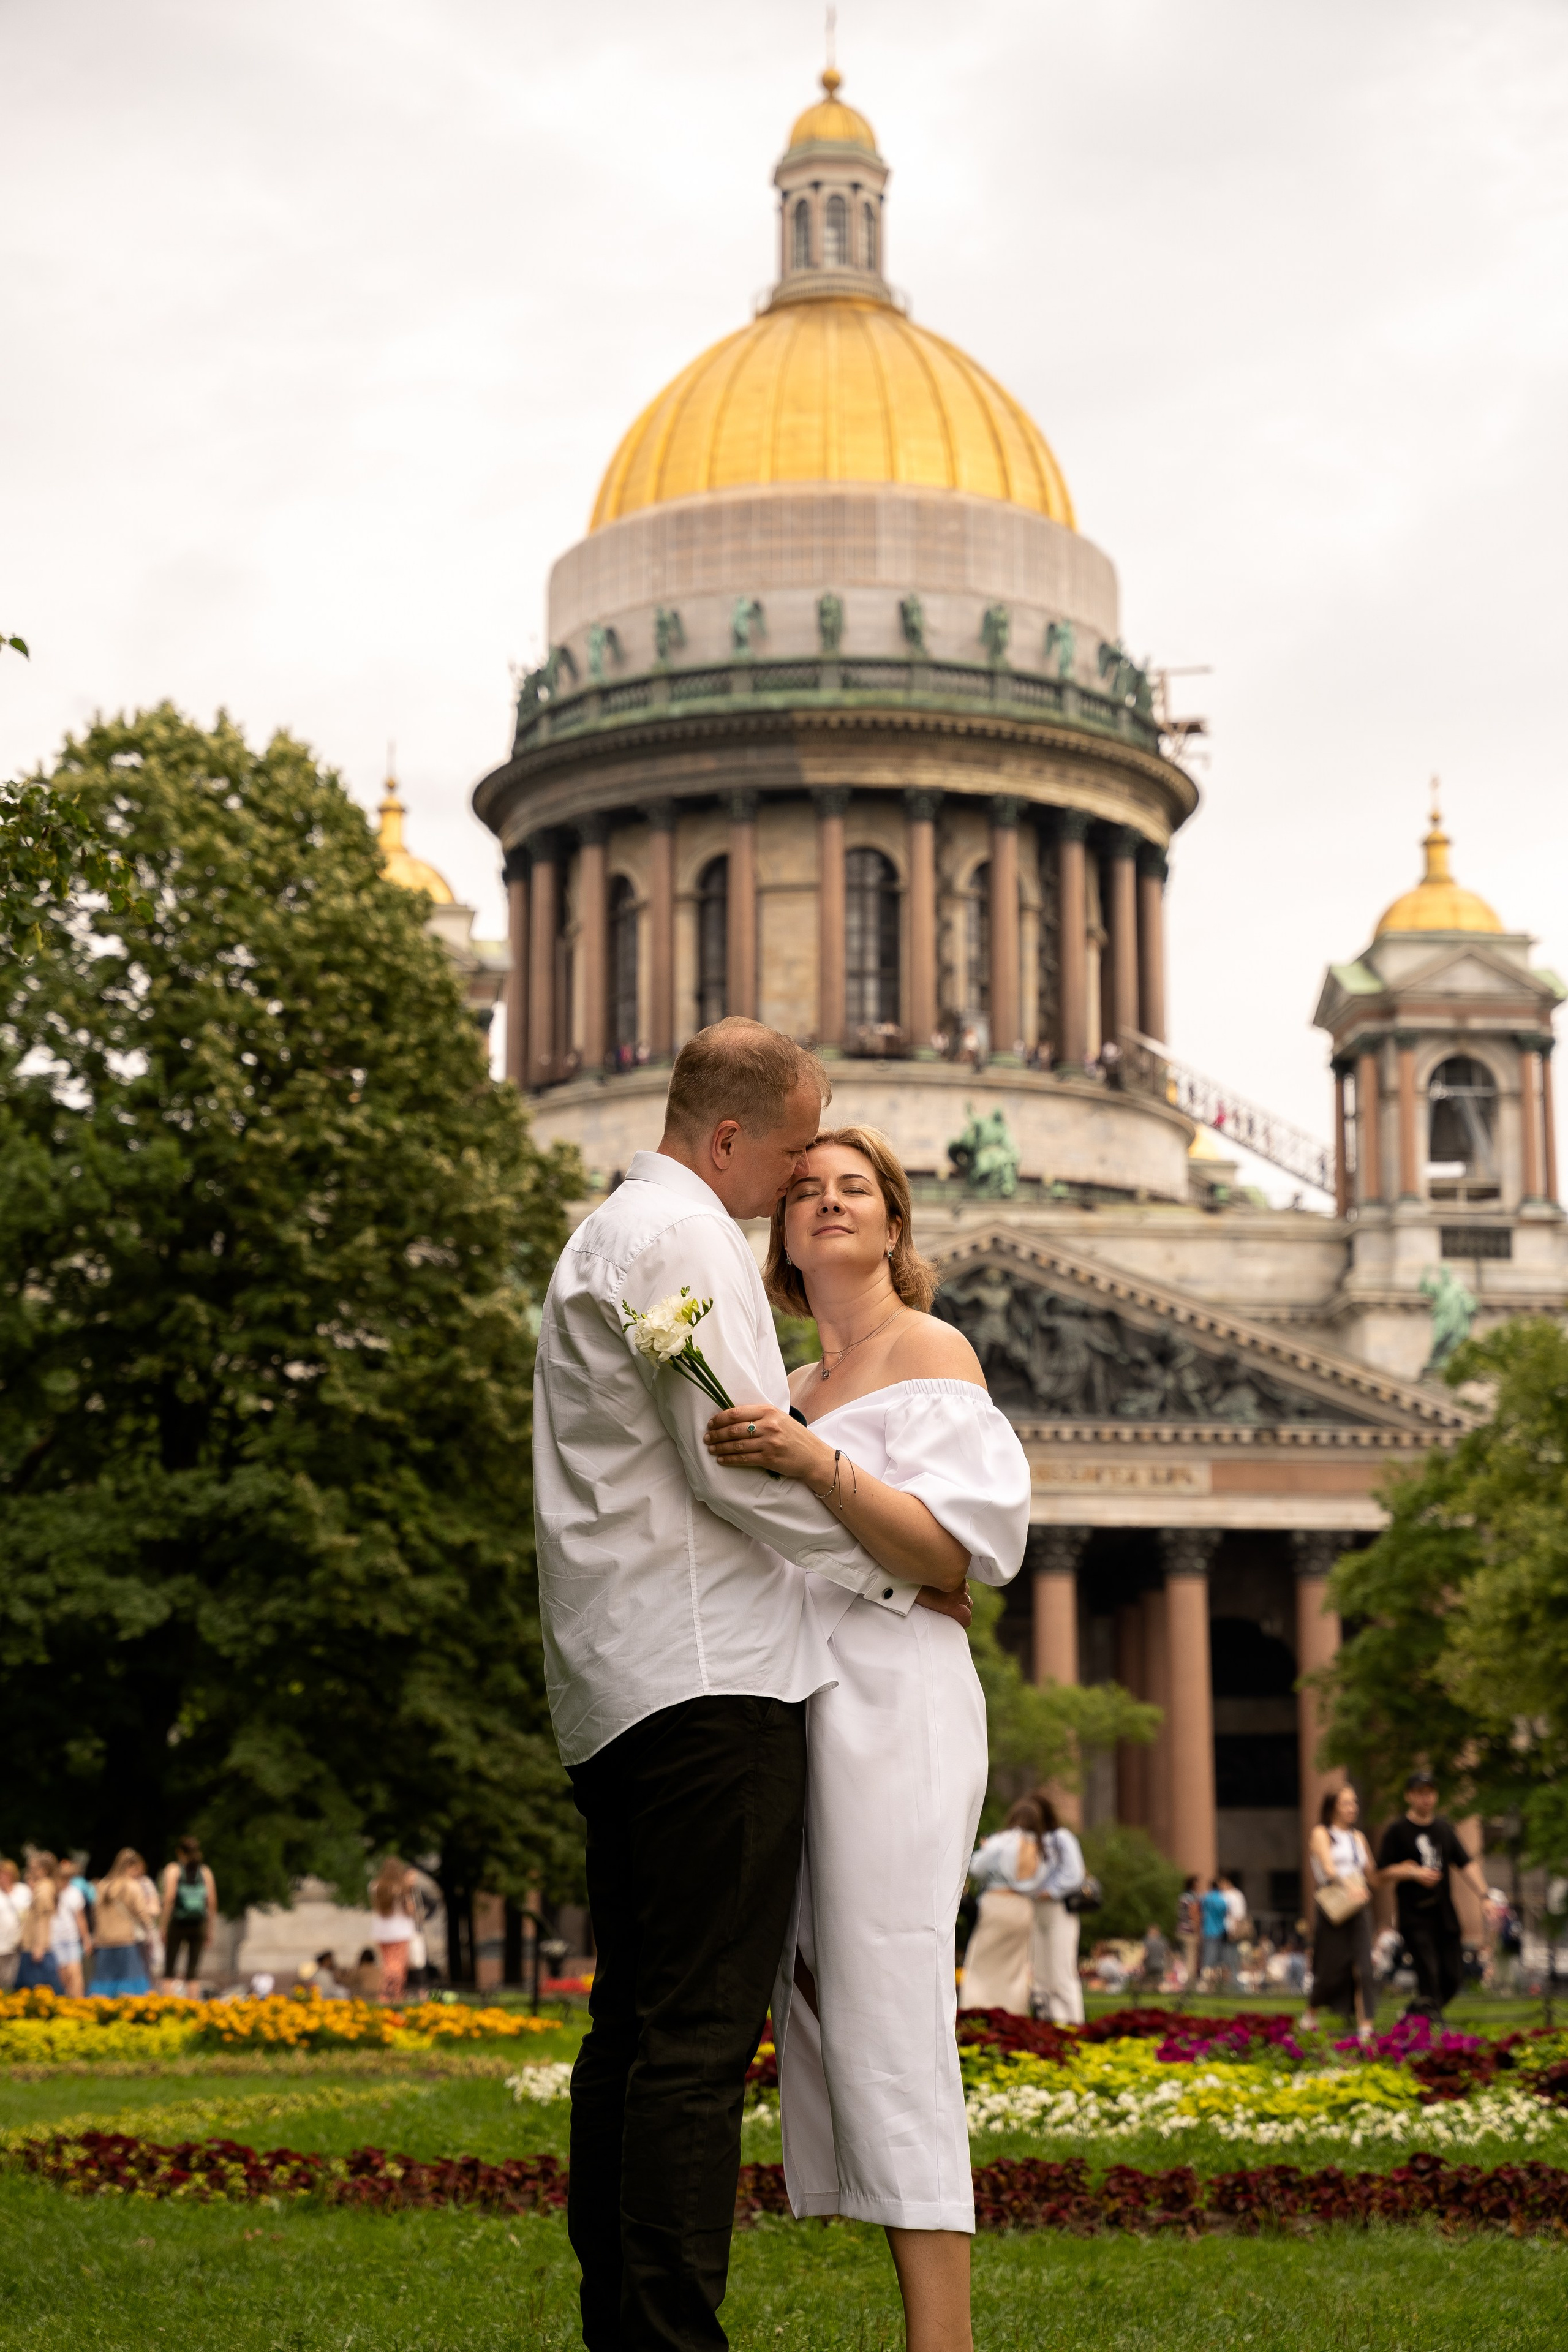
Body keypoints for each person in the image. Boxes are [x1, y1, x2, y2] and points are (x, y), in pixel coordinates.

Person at [533, 1023, 972, 2352]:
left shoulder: (602, 1234)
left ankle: (627, 2320)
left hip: (621, 1677)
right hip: (709, 1682)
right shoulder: (681, 1247)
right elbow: (739, 1465)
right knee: (692, 2041)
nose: (795, 1193)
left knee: (635, 2027)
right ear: (728, 1141)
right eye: (790, 1163)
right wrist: (903, 1578)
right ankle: (666, 2336)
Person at [704, 1121, 1028, 2352]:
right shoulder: (785, 1387)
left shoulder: (928, 1350)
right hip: (797, 1697)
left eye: (855, 1188)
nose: (828, 1203)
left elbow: (955, 1556)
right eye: (804, 1191)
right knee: (819, 1995)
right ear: (782, 1236)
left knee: (887, 2001)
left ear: (893, 1224)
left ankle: (938, 2344)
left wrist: (818, 1470)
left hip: (893, 1701)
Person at [1376, 1770, 1491, 2018]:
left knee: (1453, 1976)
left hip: (1444, 1914)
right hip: (1414, 1915)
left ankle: (1415, 2014)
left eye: (1430, 1793)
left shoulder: (1444, 1829)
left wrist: (1484, 1896)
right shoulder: (1398, 1830)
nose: (1426, 1799)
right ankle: (1435, 2033)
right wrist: (1412, 1873)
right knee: (1428, 1973)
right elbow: (1380, 1873)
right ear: (1409, 1796)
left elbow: (1466, 1863)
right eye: (1420, 1793)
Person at [1300, 1787, 1378, 2041]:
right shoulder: (1322, 1834)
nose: (1352, 1808)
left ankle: (1366, 2027)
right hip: (1333, 1906)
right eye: (1346, 1803)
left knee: (1365, 1968)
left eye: (1354, 1802)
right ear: (1333, 1807)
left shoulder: (1359, 1838)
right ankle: (1310, 2014)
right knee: (1330, 1968)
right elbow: (1328, 1869)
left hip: (1358, 1908)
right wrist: (1350, 1887)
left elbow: (1372, 1874)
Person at [962, 1800, 1043, 2015]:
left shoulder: (1003, 1841)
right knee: (1015, 1968)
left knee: (982, 1963)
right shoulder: (1040, 1848)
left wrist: (986, 1849)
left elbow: (976, 1868)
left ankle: (976, 2012)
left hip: (997, 1903)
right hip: (1024, 1907)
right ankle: (1013, 2016)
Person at [1023, 1792, 1086, 2025]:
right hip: (1036, 1910)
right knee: (1039, 1971)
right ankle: (1045, 2019)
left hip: (1058, 1909)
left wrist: (1050, 1890)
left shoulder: (1061, 1838)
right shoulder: (1030, 1841)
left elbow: (1074, 1873)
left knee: (1061, 1969)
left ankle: (1070, 2022)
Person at [91, 1850, 156, 1997]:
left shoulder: (103, 1885)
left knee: (103, 1989)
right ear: (131, 1867)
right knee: (131, 1990)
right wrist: (151, 1929)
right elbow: (142, 1914)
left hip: (104, 1943)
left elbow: (96, 1915)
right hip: (126, 1943)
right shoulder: (132, 1886)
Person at [160, 1837, 217, 1994]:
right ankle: (193, 2009)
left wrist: (163, 1926)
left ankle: (168, 2009)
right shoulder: (205, 1872)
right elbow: (211, 1902)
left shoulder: (174, 1870)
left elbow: (170, 1898)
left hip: (178, 1922)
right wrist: (210, 1929)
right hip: (198, 1923)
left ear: (179, 1852)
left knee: (169, 1970)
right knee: (193, 1974)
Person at [368, 1857, 415, 2003]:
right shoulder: (401, 1886)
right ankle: (392, 1994)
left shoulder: (374, 1885)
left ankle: (389, 1994)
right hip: (400, 1931)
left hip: (381, 1931)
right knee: (398, 1965)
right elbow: (410, 1909)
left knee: (387, 1963)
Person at [15, 1855, 62, 1992]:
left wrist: (39, 1946)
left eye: (34, 1868)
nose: (31, 1871)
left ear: (44, 1870)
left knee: (39, 1990)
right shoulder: (44, 1887)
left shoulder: (43, 1889)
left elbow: (42, 1920)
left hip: (36, 1947)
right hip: (35, 1945)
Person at [51, 1856, 91, 1996]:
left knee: (75, 1972)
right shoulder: (52, 1893)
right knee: (62, 1973)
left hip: (71, 1938)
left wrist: (86, 1939)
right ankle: (68, 1997)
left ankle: (79, 2000)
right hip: (55, 1938)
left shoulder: (75, 1893)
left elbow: (81, 1918)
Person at [0, 1860, 30, 1991]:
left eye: (5, 1874)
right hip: (1, 1943)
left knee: (12, 1980)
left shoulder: (23, 1891)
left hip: (17, 1943)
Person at [1198, 1880, 1232, 1989]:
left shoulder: (1206, 1898)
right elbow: (1227, 1913)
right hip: (1220, 1931)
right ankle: (1217, 1983)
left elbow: (1201, 1911)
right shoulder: (1223, 1900)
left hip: (1208, 1930)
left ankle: (1206, 1983)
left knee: (1208, 1958)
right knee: (1219, 1959)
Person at [1175, 1875, 1201, 1990]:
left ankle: (1184, 1982)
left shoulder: (1182, 1897)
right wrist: (1197, 1930)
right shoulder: (1192, 1897)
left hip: (1180, 1929)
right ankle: (1190, 1985)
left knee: (1185, 1958)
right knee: (1191, 1958)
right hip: (1189, 1931)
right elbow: (1194, 1914)